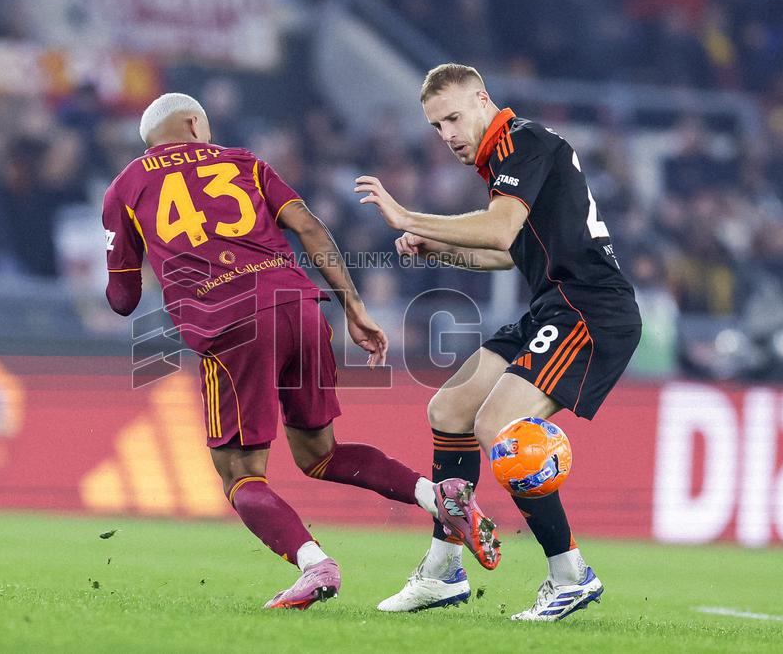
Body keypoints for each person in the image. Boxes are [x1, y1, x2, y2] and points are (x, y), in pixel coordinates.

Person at [102, 92, 501, 610]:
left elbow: (123, 299)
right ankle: (438, 495)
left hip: (231, 324)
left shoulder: (125, 187)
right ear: (195, 124)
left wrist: (140, 259)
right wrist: (354, 307)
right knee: (320, 454)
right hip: (301, 307)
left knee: (239, 473)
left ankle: (315, 565)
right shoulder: (243, 162)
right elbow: (310, 227)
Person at [355, 64, 642, 621]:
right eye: (437, 126)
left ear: (482, 99)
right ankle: (442, 572)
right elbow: (510, 253)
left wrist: (408, 216)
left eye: (453, 117)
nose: (447, 134)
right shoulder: (503, 158)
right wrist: (437, 249)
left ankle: (571, 575)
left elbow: (499, 228)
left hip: (590, 309)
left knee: (499, 427)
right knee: (450, 409)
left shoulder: (522, 141)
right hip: (551, 307)